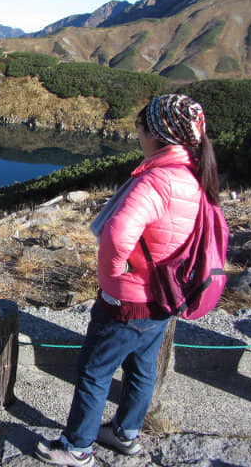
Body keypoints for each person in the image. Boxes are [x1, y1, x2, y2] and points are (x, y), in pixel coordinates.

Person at [35, 94, 220, 466]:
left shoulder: (157, 181)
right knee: (141, 367)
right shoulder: (193, 174)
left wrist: (113, 275)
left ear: (158, 133)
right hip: (163, 298)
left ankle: (77, 447)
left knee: (94, 371)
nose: (137, 134)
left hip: (130, 299)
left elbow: (118, 235)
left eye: (140, 127)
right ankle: (124, 434)